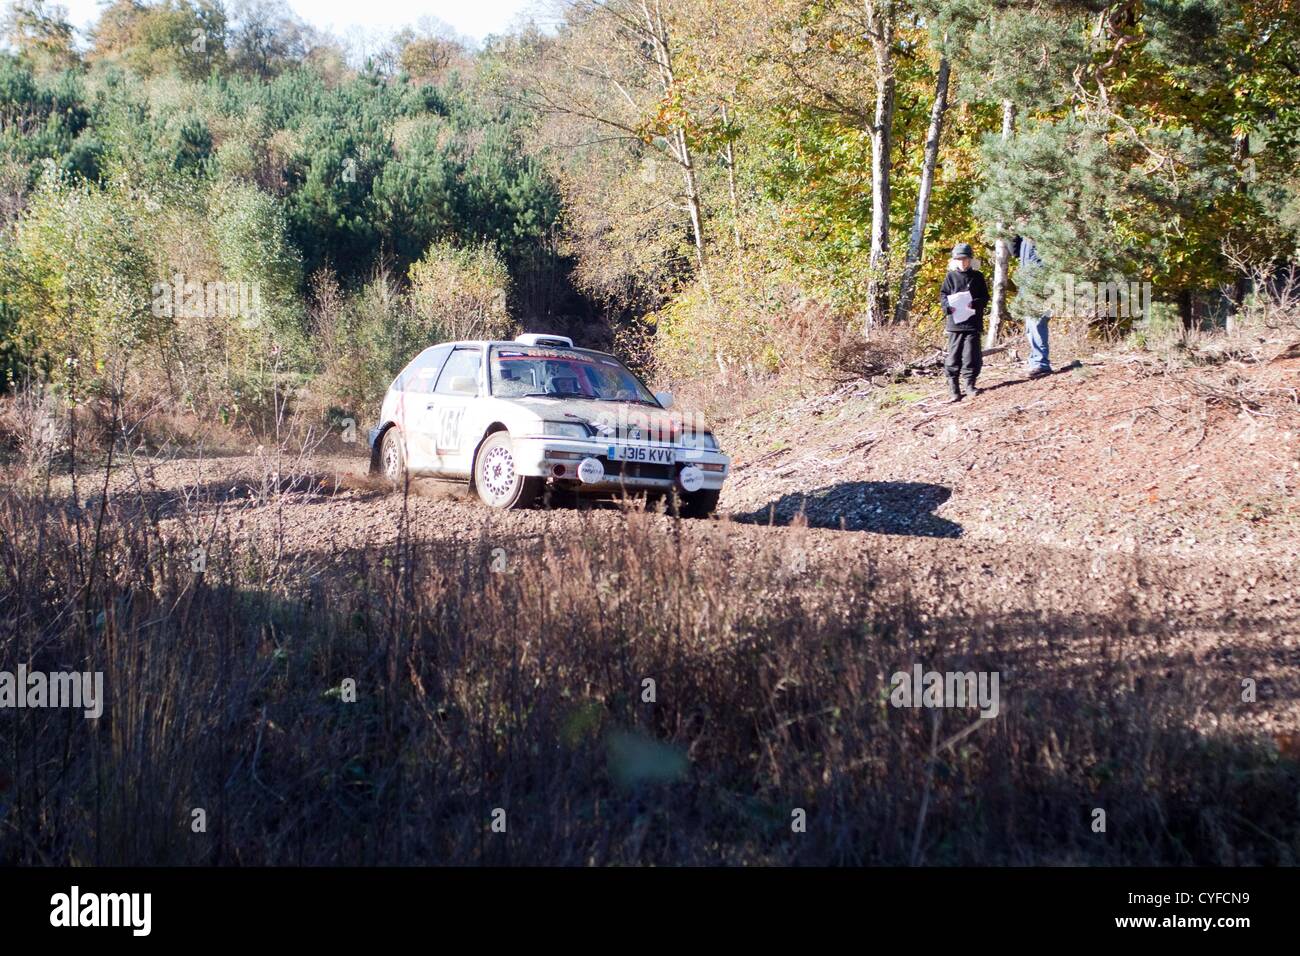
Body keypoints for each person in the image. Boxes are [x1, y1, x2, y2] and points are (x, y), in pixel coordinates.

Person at [939, 242, 989, 402]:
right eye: (959, 259)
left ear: (970, 259)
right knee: (953, 357)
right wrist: (948, 307)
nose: (963, 262)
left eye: (965, 259)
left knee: (971, 356)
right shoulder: (950, 277)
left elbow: (985, 297)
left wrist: (974, 303)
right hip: (955, 324)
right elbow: (943, 296)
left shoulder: (978, 277)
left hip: (973, 322)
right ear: (955, 260)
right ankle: (954, 389)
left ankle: (970, 385)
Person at [1013, 235, 1052, 378]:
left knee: (1037, 322)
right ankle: (1036, 361)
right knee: (1031, 325)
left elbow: (1049, 260)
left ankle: (1041, 363)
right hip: (1026, 284)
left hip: (1039, 285)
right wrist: (1013, 236)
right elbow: (1015, 252)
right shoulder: (1025, 237)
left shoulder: (1040, 230)